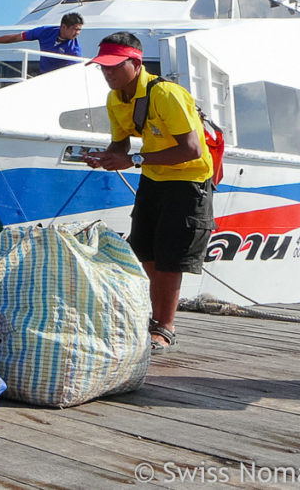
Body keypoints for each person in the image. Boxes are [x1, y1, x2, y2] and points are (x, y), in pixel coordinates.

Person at [83, 32, 214, 354]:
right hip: (155, 179)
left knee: (171, 256)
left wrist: (132, 160)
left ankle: (164, 328)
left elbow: (192, 150)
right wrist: (107, 156)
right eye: (103, 67)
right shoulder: (116, 99)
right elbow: (122, 142)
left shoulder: (166, 94)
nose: (108, 73)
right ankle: (151, 320)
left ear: (136, 63)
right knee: (146, 252)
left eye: (114, 66)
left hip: (189, 181)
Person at [0, 12, 84, 74]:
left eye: (79, 29)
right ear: (64, 27)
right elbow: (15, 38)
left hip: (57, 81)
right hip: (42, 76)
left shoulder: (75, 50)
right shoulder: (45, 31)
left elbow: (72, 73)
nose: (78, 33)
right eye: (75, 29)